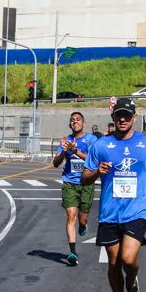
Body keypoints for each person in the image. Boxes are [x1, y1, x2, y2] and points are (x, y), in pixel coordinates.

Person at [82, 98, 146, 292]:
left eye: (127, 115)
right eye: (119, 115)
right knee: (113, 262)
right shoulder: (101, 146)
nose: (122, 119)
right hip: (110, 211)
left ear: (134, 118)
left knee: (128, 258)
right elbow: (85, 178)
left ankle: (132, 282)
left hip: (137, 209)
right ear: (113, 117)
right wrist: (97, 172)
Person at [53, 112, 97, 266]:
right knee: (71, 215)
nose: (75, 122)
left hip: (86, 182)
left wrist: (75, 151)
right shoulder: (66, 140)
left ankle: (84, 225)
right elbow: (56, 163)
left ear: (83, 123)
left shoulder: (91, 139)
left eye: (78, 120)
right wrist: (65, 151)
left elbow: (94, 160)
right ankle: (72, 252)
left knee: (82, 218)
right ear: (70, 124)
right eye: (72, 120)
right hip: (69, 182)